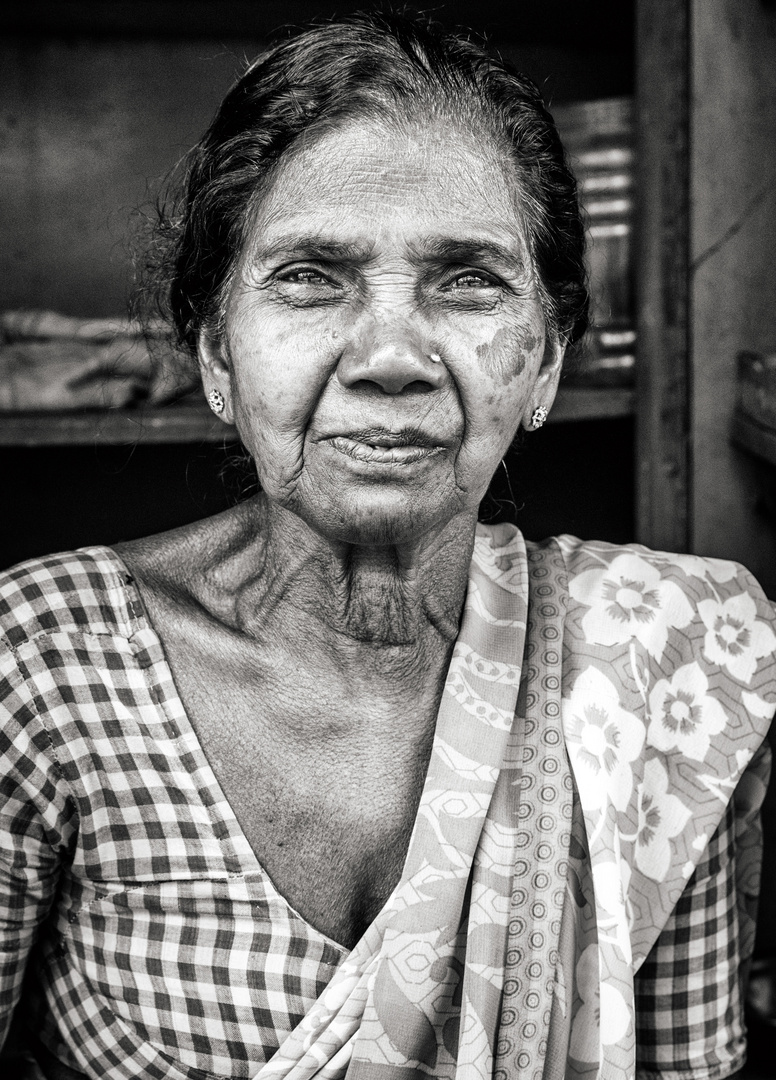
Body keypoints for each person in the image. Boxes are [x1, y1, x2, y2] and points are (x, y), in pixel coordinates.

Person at [0, 13, 774, 1080]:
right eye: (312, 276)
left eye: (466, 281)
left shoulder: (665, 679)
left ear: (544, 365)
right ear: (218, 355)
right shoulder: (41, 665)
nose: (393, 357)